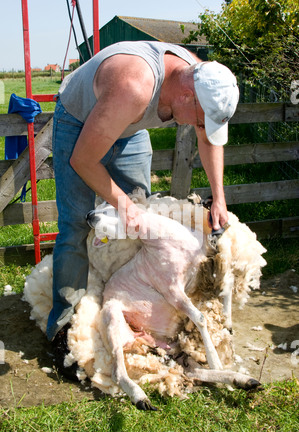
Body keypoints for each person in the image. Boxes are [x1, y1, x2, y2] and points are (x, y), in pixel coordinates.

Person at [46, 41, 239, 374]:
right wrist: (121, 205)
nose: (200, 127)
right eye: (200, 119)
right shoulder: (135, 86)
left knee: (140, 215)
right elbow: (83, 159)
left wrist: (218, 196)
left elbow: (207, 137)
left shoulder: (199, 77)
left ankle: (137, 313)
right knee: (77, 224)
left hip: (128, 124)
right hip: (79, 120)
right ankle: (65, 330)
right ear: (185, 96)